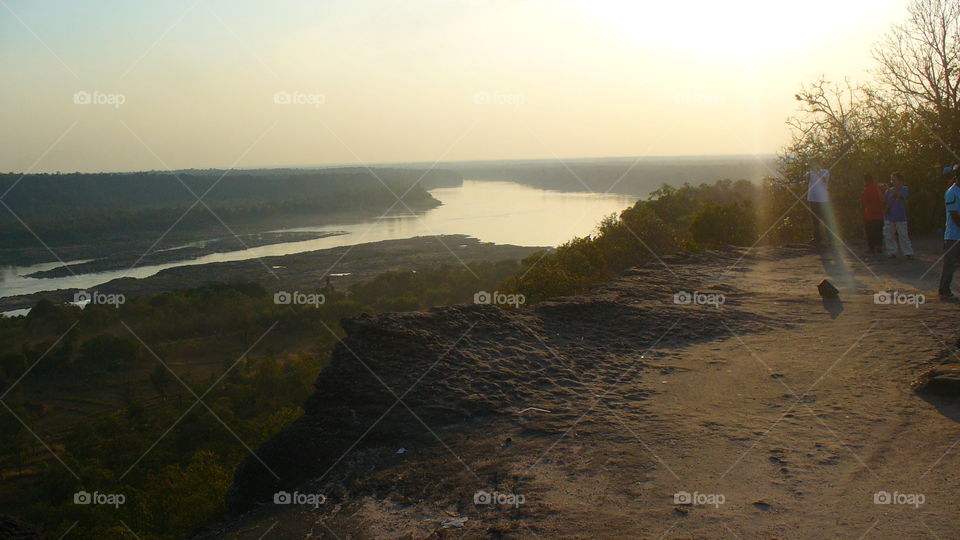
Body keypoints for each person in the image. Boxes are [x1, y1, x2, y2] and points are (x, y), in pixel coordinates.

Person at [883, 172, 914, 259]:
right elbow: (884, 201)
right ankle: (892, 252)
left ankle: (908, 252)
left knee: (903, 235)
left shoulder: (904, 189)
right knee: (888, 234)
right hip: (889, 216)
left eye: (894, 179)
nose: (892, 181)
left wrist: (888, 189)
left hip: (900, 216)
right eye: (891, 179)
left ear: (900, 180)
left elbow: (901, 196)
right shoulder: (888, 191)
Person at [939, 172, 960, 300]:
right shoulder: (951, 192)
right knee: (950, 264)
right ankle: (944, 289)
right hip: (953, 234)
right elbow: (954, 215)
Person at [806, 159, 830, 245]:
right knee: (815, 220)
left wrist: (817, 172)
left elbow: (824, 180)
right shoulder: (809, 173)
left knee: (826, 219)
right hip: (813, 199)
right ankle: (817, 238)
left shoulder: (825, 172)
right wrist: (811, 172)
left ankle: (829, 238)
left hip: (823, 200)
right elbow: (807, 181)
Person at [859, 174, 884, 254]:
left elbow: (863, 202)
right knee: (879, 230)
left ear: (865, 181)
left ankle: (872, 248)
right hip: (880, 213)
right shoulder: (880, 187)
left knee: (870, 231)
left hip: (870, 214)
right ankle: (879, 246)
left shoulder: (866, 190)